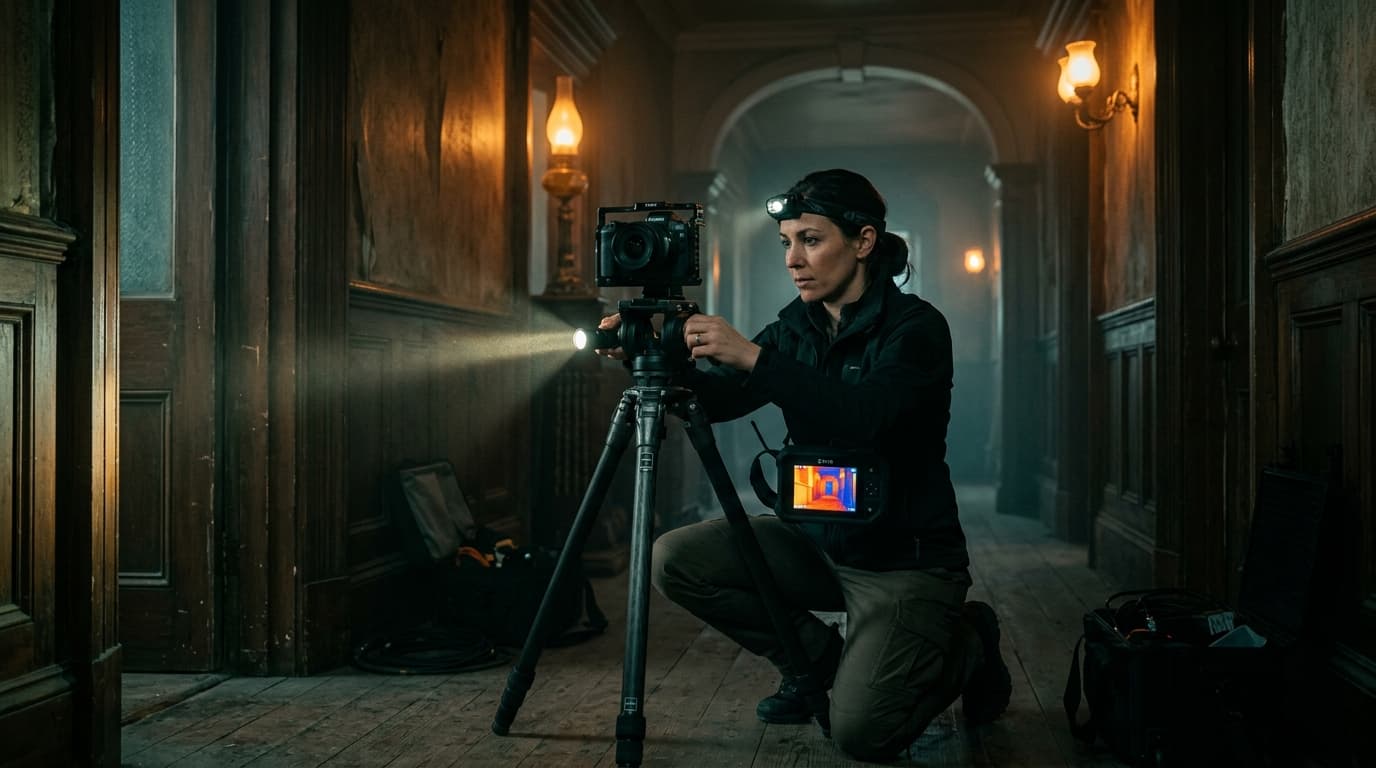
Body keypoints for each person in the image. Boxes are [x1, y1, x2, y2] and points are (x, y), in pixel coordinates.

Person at [596, 168, 1011, 761]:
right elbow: (723, 400)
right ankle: (820, 667)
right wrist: (652, 364)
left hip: (902, 558)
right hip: (815, 540)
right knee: (675, 560)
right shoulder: (796, 326)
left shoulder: (916, 328)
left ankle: (969, 642)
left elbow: (865, 416)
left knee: (863, 735)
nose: (794, 259)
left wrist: (754, 356)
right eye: (787, 242)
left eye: (811, 240)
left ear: (863, 242)